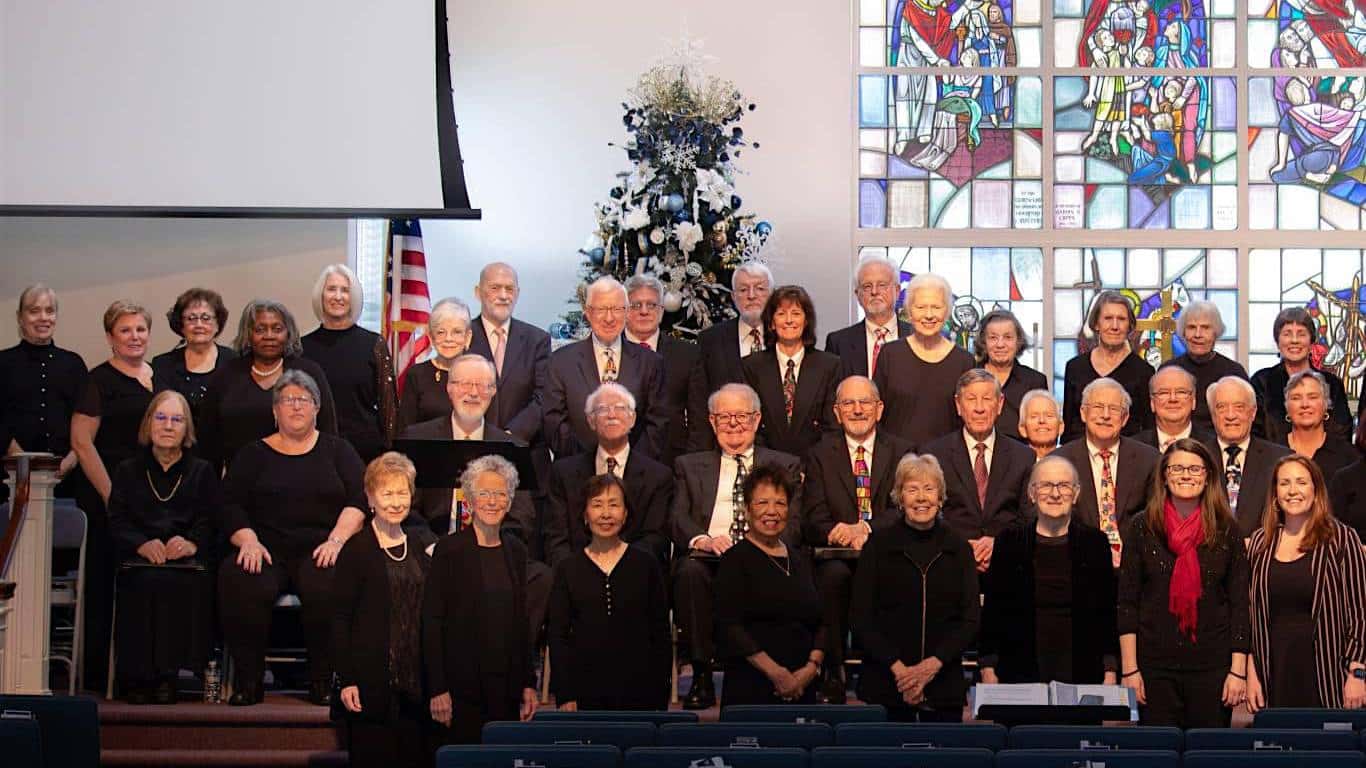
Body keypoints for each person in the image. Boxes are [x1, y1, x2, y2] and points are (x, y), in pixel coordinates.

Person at [217, 371, 366, 706]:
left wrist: (338, 541)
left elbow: (359, 500)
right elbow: (230, 503)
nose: (296, 406)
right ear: (275, 410)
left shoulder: (338, 451)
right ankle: (248, 681)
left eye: (304, 400)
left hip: (322, 548)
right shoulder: (253, 454)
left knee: (328, 584)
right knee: (240, 578)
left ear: (317, 408)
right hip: (265, 549)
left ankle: (323, 681)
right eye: (287, 399)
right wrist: (248, 541)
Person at [395, 354, 550, 635]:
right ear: (450, 388)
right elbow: (406, 508)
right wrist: (434, 545)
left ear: (493, 392)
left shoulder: (512, 446)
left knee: (540, 578)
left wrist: (488, 545)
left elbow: (523, 516)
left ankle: (513, 668)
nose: (473, 393)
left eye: (482, 385)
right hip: (434, 547)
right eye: (465, 384)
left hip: (491, 547)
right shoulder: (417, 438)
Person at [671, 383, 803, 710]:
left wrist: (757, 546)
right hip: (709, 555)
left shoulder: (784, 464)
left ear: (757, 420)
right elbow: (677, 518)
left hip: (763, 554)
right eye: (725, 417)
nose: (734, 424)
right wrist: (703, 539)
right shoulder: (689, 466)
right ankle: (701, 673)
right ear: (712, 422)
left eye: (741, 416)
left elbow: (795, 523)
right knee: (688, 571)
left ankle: (770, 671)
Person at [1117, 439, 1251, 728]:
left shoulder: (1227, 530)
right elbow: (1128, 603)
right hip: (1153, 669)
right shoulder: (1142, 527)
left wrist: (1238, 671)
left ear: (1208, 477)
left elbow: (1240, 604)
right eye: (1177, 468)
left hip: (1213, 670)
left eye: (1194, 468)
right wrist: (1129, 670)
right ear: (1164, 475)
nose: (1186, 475)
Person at [801, 375, 912, 703]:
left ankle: (888, 669)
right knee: (833, 578)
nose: (857, 409)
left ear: (879, 409)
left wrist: (866, 529)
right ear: (836, 412)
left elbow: (906, 508)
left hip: (886, 552)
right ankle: (834, 670)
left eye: (865, 402)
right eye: (848, 403)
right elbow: (812, 517)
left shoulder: (903, 451)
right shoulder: (820, 454)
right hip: (836, 556)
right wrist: (842, 533)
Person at [106, 390, 217, 704]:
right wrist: (141, 544)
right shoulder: (127, 470)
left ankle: (169, 676)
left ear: (187, 430)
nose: (169, 426)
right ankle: (139, 678)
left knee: (177, 580)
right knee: (145, 581)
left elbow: (211, 518)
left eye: (177, 420)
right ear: (148, 424)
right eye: (162, 418)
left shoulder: (202, 471)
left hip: (185, 563)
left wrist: (192, 542)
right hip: (140, 560)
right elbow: (117, 519)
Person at [851, 453, 979, 722]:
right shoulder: (877, 547)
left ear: (941, 497)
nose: (921, 498)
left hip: (944, 686)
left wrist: (930, 667)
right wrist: (902, 672)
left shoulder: (958, 549)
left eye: (929, 489)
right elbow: (861, 619)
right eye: (912, 489)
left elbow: (969, 621)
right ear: (899, 497)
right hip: (886, 684)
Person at [70, 300, 158, 689]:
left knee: (144, 587)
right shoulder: (98, 381)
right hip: (108, 495)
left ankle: (143, 670)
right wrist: (111, 496)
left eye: (140, 329)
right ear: (110, 337)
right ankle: (99, 677)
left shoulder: (161, 376)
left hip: (153, 495)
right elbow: (82, 443)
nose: (134, 337)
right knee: (106, 587)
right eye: (125, 330)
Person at [423, 455, 538, 744]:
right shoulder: (449, 550)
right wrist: (438, 688)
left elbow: (521, 621)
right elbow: (432, 621)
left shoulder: (516, 550)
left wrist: (528, 683)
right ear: (470, 501)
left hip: (506, 689)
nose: (492, 501)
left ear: (509, 502)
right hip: (460, 691)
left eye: (500, 494)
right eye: (484, 494)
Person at [332, 452, 434, 768]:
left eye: (402, 492)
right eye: (387, 493)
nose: (395, 501)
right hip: (371, 684)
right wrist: (347, 678)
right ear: (371, 498)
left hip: (416, 687)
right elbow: (340, 618)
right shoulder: (357, 549)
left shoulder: (420, 546)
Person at [979, 456, 1118, 685]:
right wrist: (987, 666)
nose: (1055, 494)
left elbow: (1106, 613)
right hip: (1019, 668)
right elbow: (994, 611)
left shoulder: (1095, 544)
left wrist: (1110, 669)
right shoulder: (1008, 542)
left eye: (1064, 485)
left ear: (1076, 494)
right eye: (1046, 485)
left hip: (1082, 668)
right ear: (1031, 493)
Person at [1247, 455, 1366, 712]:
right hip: (1272, 670)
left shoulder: (1341, 539)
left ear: (1316, 489)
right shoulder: (1260, 542)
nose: (1292, 491)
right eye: (1284, 483)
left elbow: (1360, 613)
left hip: (1330, 672)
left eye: (1301, 482)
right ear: (1275, 492)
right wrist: (1251, 671)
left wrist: (1357, 673)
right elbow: (1250, 615)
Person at [547, 473, 670, 711]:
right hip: (584, 693)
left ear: (625, 514)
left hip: (641, 693)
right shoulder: (568, 568)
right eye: (597, 505)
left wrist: (660, 693)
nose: (605, 514)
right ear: (585, 514)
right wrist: (565, 693)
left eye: (614, 505)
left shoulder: (646, 564)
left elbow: (660, 634)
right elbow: (558, 636)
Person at [714, 464, 826, 706]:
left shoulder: (801, 558)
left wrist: (811, 668)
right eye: (762, 503)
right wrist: (777, 674)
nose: (772, 511)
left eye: (780, 503)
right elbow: (730, 628)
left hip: (802, 687)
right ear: (746, 509)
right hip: (752, 688)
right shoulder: (734, 560)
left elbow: (821, 621)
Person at [198, 299, 338, 473]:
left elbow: (328, 433)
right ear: (248, 334)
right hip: (239, 480)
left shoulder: (309, 372)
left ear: (288, 333)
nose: (269, 336)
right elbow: (208, 440)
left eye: (277, 329)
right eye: (260, 329)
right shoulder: (227, 374)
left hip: (300, 477)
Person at [543, 383, 673, 569]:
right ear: (590, 420)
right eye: (603, 409)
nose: (612, 415)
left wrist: (616, 568)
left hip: (634, 575)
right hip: (576, 576)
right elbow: (556, 539)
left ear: (633, 418)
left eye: (620, 408)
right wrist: (577, 572)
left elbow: (655, 539)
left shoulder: (658, 476)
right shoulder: (563, 473)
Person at [543, 276, 668, 458]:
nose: (609, 318)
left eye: (617, 309)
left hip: (634, 476)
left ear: (626, 312)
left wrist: (626, 464)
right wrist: (592, 463)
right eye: (602, 309)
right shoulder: (560, 362)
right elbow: (553, 422)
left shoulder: (651, 363)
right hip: (576, 474)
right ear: (588, 312)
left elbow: (658, 423)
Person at [925, 368, 1035, 573]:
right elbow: (931, 514)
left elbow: (1027, 518)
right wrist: (961, 546)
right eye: (971, 399)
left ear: (1000, 403)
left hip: (1008, 562)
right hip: (950, 561)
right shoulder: (934, 455)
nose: (979, 408)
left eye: (987, 399)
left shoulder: (1023, 457)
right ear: (958, 405)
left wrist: (999, 544)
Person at [1051, 378, 1160, 568]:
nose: (1106, 415)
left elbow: (1156, 519)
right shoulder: (1058, 462)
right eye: (1098, 407)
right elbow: (1054, 521)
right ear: (1083, 413)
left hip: (1135, 564)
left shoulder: (1149, 460)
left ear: (1125, 418)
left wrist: (1129, 556)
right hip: (1077, 563)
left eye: (1114, 409)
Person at [465, 263, 552, 485]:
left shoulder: (538, 340)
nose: (503, 296)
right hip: (472, 457)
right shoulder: (462, 337)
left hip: (526, 460)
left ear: (518, 293)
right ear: (478, 292)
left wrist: (510, 437)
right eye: (495, 288)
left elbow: (544, 396)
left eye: (509, 289)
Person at [301, 264, 397, 463]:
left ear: (353, 297)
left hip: (365, 454)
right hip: (315, 451)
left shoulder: (374, 344)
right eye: (331, 289)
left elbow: (389, 409)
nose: (338, 296)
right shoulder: (302, 348)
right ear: (321, 295)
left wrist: (390, 458)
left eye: (345, 290)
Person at [0, 284, 86, 498]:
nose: (43, 317)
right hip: (10, 478)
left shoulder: (73, 364)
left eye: (49, 310)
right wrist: (20, 462)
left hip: (67, 480)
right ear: (20, 317)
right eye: (34, 310)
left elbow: (86, 421)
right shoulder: (3, 363)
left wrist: (69, 462)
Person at [873, 273, 976, 447]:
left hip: (948, 465)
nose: (929, 315)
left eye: (936, 307)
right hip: (897, 463)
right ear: (909, 311)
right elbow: (876, 412)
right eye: (920, 307)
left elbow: (969, 419)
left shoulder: (964, 361)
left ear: (948, 311)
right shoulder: (890, 354)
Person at [742, 285, 841, 459]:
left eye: (796, 313)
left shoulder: (829, 366)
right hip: (766, 468)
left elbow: (831, 429)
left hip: (814, 469)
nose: (789, 320)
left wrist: (810, 469)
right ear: (772, 323)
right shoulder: (752, 367)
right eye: (781, 314)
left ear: (806, 320)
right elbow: (750, 426)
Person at [688, 262, 774, 451]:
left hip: (775, 452)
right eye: (743, 290)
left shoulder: (784, 336)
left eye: (759, 288)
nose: (751, 296)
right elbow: (699, 404)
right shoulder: (710, 340)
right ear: (734, 297)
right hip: (723, 449)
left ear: (771, 294)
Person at [625, 273, 700, 467]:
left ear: (661, 310)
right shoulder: (610, 352)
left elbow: (697, 418)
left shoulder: (687, 354)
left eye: (651, 305)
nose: (644, 311)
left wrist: (690, 465)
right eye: (636, 305)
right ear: (624, 310)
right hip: (620, 462)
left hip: (672, 463)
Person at [1061, 291, 1155, 443]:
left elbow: (1148, 429)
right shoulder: (1075, 368)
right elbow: (1069, 427)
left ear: (1129, 326)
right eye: (1108, 318)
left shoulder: (1144, 371)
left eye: (1121, 319)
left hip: (1128, 457)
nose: (1115, 326)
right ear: (1096, 324)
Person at [1208, 376, 1292, 539]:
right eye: (1221, 407)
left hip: (1264, 557)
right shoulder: (1197, 458)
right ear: (1213, 415)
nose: (1230, 415)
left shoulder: (1281, 459)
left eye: (1239, 407)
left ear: (1253, 413)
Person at [1250, 307, 1354, 439]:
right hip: (1272, 458)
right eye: (1287, 334)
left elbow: (1343, 432)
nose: (1294, 340)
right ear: (1278, 342)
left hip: (1326, 458)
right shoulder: (1261, 382)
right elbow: (1254, 433)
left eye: (1301, 334)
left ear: (1311, 343)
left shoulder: (1332, 384)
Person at [1160, 301, 1247, 432]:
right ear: (1183, 333)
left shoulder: (1234, 372)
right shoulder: (1167, 371)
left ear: (1216, 333)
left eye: (1205, 328)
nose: (1198, 335)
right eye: (1191, 327)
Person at [151, 288, 233, 426]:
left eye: (206, 318)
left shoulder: (234, 362)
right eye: (191, 318)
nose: (199, 325)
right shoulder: (163, 364)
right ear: (181, 326)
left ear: (218, 325)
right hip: (178, 444)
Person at [823, 257, 911, 378]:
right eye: (867, 286)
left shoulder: (916, 336)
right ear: (857, 295)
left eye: (882, 285)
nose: (874, 292)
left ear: (897, 290)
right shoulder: (838, 342)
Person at [396, 298, 474, 431]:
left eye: (456, 332)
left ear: (468, 337)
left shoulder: (480, 374)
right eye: (441, 332)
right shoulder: (416, 375)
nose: (448, 339)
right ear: (431, 337)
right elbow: (405, 430)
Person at [974, 309, 1047, 443]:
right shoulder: (969, 378)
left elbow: (1042, 429)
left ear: (1018, 341)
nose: (1000, 344)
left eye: (1008, 337)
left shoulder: (1035, 381)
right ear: (983, 342)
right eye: (993, 338)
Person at [1273, 370, 1358, 483]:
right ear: (1287, 408)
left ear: (1326, 404)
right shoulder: (1271, 454)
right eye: (1296, 398)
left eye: (1312, 397)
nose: (1305, 404)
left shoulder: (1349, 456)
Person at [1134, 365, 1218, 454]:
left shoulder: (1213, 447)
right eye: (1164, 393)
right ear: (1152, 403)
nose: (1173, 399)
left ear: (1193, 401)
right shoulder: (1133, 447)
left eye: (1181, 392)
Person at [1018, 389, 1063, 460]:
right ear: (1022, 428)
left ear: (1061, 426)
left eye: (1049, 416)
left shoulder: (1073, 459)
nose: (1042, 420)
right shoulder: (1013, 462)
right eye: (1034, 416)